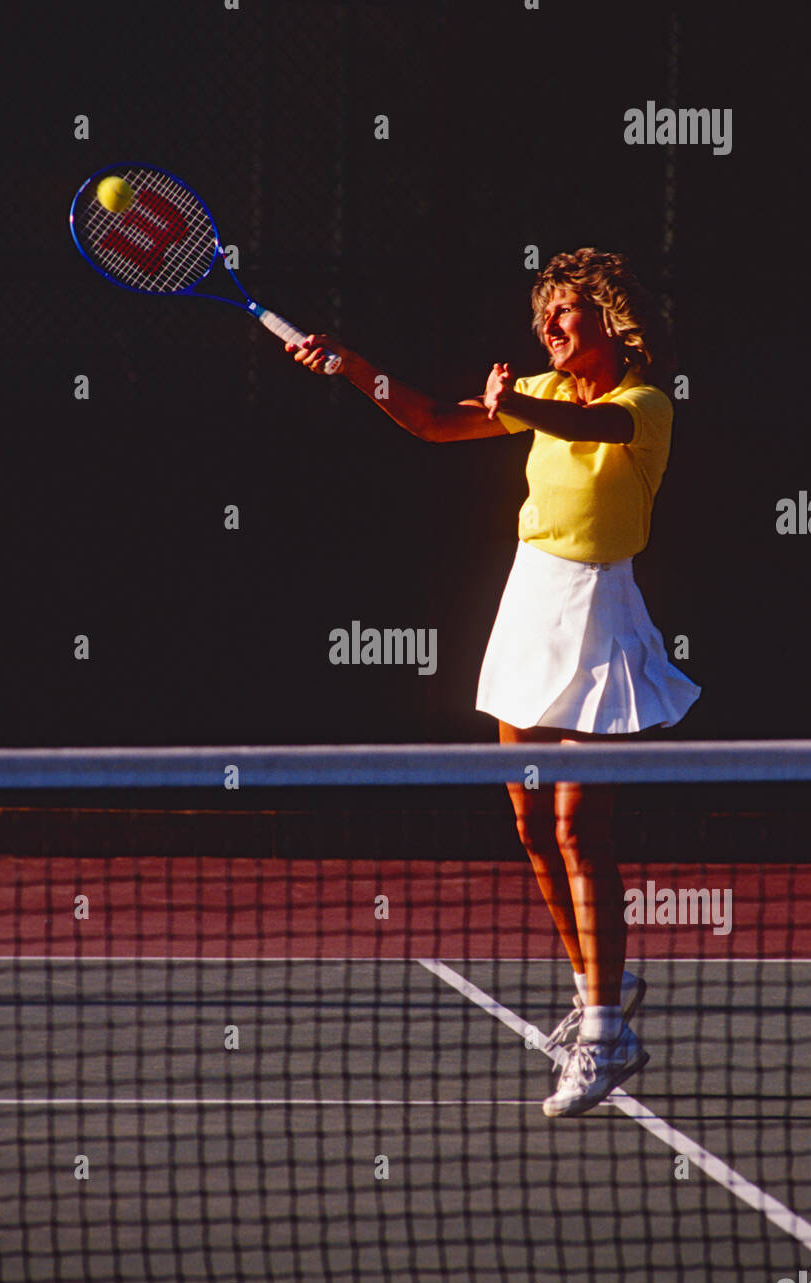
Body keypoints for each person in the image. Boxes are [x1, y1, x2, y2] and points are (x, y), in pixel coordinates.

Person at [286, 247, 701, 1116]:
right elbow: (436, 421)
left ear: (609, 321)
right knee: (529, 823)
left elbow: (596, 435)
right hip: (529, 605)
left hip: (600, 615)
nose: (548, 327)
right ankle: (599, 997)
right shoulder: (541, 396)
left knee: (581, 825)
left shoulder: (645, 405)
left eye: (565, 313)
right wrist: (355, 369)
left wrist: (516, 402)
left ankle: (600, 1029)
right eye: (542, 314)